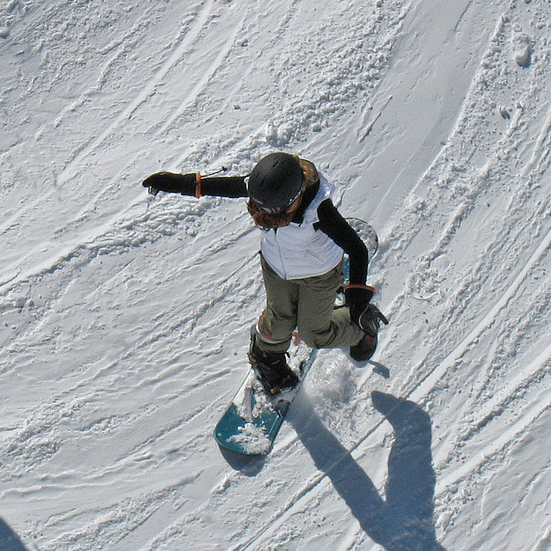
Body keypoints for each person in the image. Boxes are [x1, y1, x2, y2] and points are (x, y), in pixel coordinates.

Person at [142, 152, 384, 392]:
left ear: (293, 200)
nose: (262, 216)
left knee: (314, 335)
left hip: (318, 275)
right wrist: (177, 183)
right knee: (278, 322)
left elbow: (357, 249)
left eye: (271, 214)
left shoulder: (318, 210)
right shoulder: (266, 189)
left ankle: (361, 331)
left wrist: (358, 301)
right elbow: (227, 186)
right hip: (277, 268)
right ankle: (268, 358)